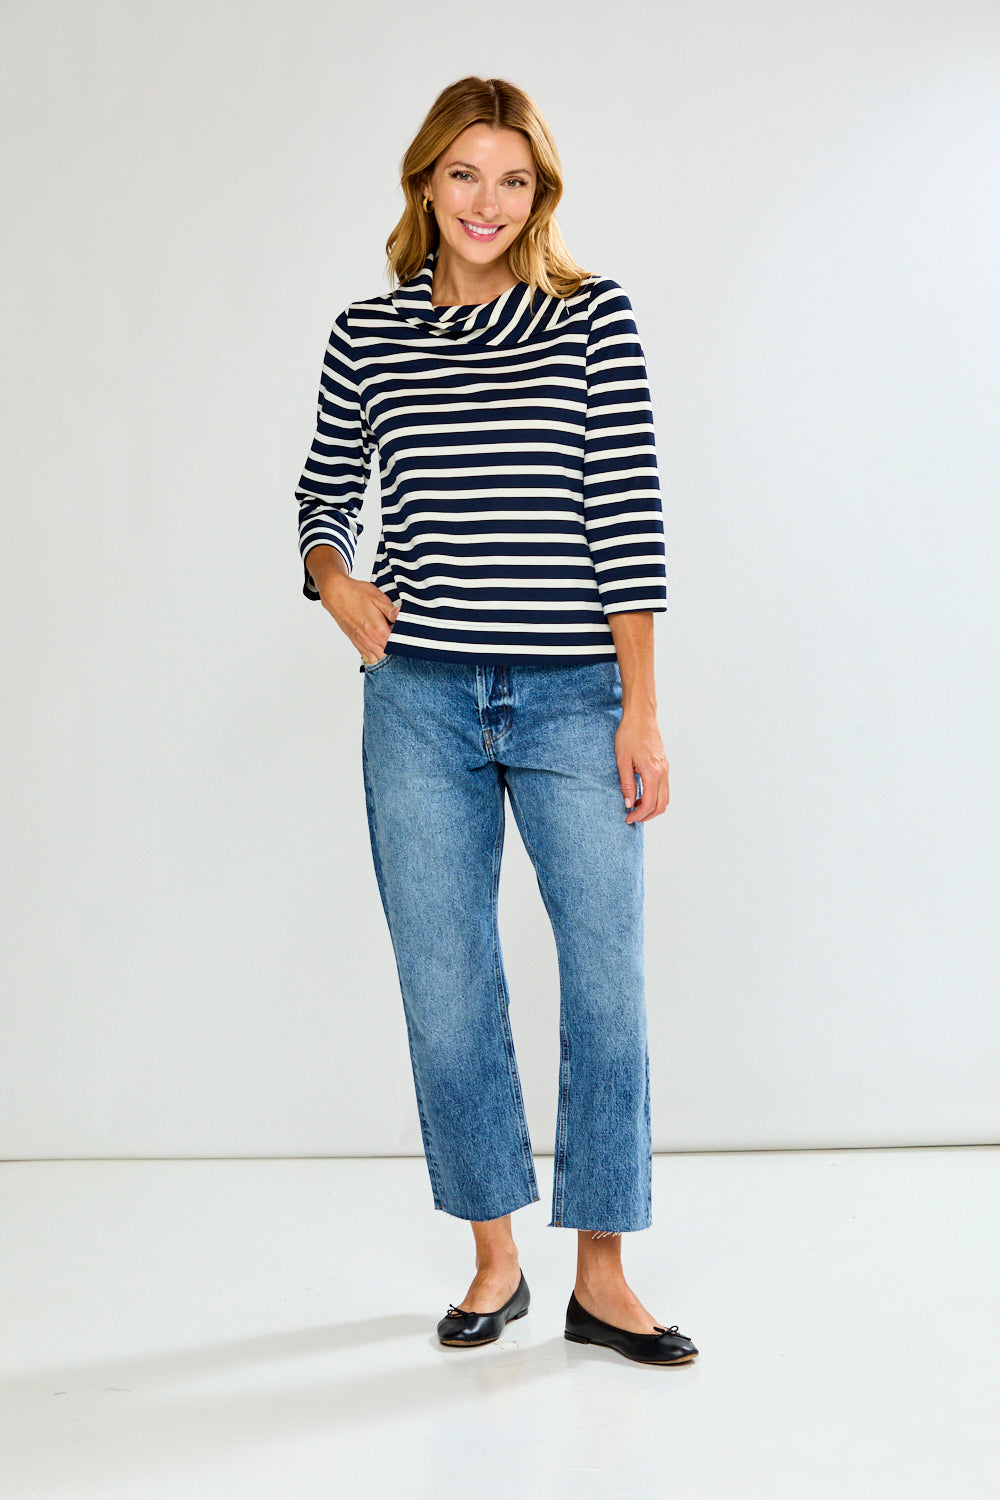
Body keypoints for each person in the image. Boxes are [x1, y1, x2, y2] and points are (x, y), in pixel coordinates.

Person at [292, 75, 698, 1367]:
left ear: (540, 194)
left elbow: (627, 519)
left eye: (512, 178)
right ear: (426, 183)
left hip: (576, 699)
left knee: (607, 984)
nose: (486, 201)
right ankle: (493, 1259)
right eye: (464, 174)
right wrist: (340, 586)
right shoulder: (367, 335)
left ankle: (604, 1277)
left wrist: (641, 709)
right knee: (448, 987)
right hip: (416, 705)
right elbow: (320, 495)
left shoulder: (591, 322)